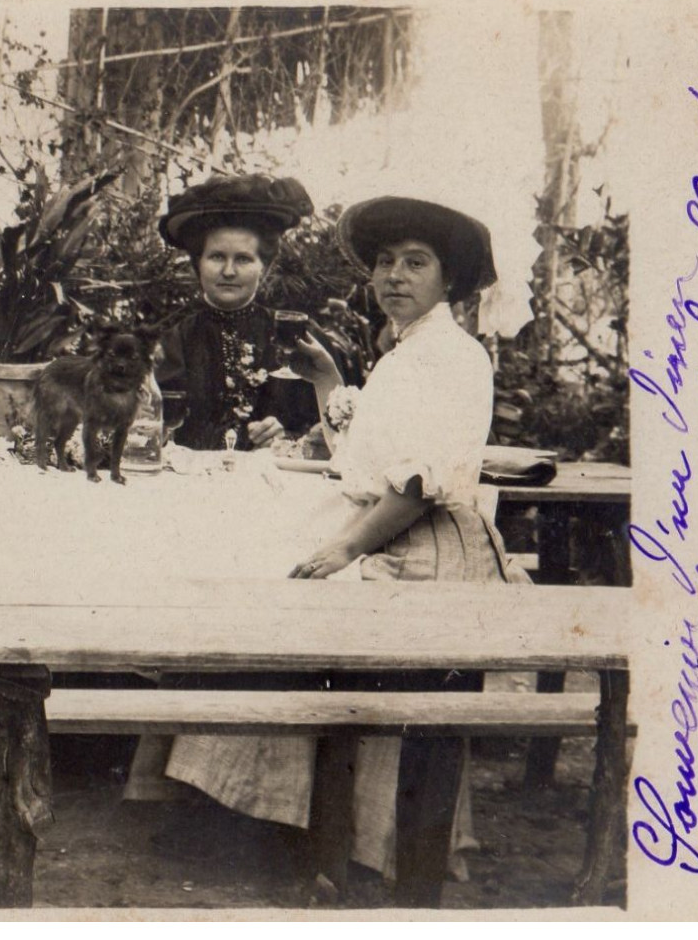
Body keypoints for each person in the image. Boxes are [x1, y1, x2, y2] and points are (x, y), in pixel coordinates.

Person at [161, 194, 518, 907]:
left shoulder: (453, 354)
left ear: (448, 278)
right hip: (388, 536)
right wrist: (328, 381)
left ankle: (404, 877)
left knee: (410, 720)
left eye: (415, 263)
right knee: (328, 681)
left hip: (426, 550)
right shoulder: (404, 350)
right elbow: (366, 457)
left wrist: (343, 547)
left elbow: (417, 481)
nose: (394, 276)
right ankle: (336, 856)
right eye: (386, 262)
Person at [154, 174, 320, 451]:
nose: (229, 271)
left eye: (243, 259)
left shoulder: (296, 334)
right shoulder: (173, 340)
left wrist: (289, 432)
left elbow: (330, 419)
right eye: (217, 256)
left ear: (264, 268)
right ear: (198, 264)